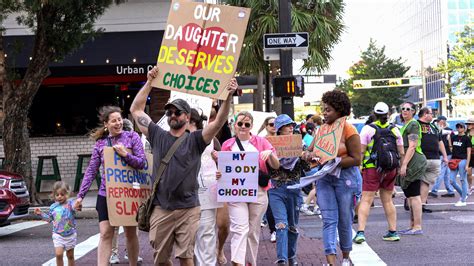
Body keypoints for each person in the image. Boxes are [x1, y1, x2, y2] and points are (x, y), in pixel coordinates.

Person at [130, 66, 237, 265]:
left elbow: (219, 122)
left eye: (177, 112)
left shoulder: (196, 139)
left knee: (186, 256)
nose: (173, 115)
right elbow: (135, 110)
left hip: (189, 209)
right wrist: (149, 82)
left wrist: (229, 96)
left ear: (187, 117)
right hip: (161, 208)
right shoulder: (157, 135)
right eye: (169, 111)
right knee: (160, 259)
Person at [74, 106, 146, 266]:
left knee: (130, 233)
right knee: (105, 233)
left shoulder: (132, 137)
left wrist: (125, 154)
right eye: (114, 120)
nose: (118, 123)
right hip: (106, 194)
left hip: (127, 193)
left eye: (120, 119)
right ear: (106, 124)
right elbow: (91, 171)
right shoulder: (100, 144)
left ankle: (133, 263)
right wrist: (80, 196)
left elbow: (142, 163)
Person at [308, 90, 362, 266]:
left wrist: (335, 161)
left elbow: (356, 158)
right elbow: (311, 152)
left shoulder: (349, 129)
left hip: (345, 179)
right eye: (323, 109)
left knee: (345, 219)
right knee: (328, 219)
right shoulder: (322, 130)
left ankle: (346, 258)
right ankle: (331, 260)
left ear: (339, 110)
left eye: (328, 110)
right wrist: (307, 155)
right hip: (325, 178)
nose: (324, 113)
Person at [220, 111, 280, 266]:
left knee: (252, 231)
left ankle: (250, 262)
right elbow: (222, 169)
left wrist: (270, 154)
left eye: (247, 124)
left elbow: (276, 165)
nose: (243, 127)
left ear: (251, 126)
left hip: (258, 191)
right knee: (239, 229)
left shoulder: (261, 142)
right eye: (240, 123)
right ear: (235, 125)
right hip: (236, 192)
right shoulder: (228, 145)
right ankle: (238, 261)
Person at [353, 102, 404, 244]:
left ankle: (361, 232)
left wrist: (359, 167)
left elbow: (362, 151)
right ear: (387, 114)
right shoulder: (395, 129)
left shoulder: (367, 129)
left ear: (374, 114)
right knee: (388, 200)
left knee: (366, 199)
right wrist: (400, 167)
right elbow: (401, 152)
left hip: (371, 168)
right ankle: (393, 231)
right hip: (390, 168)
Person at [268, 114, 311, 265]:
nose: (291, 127)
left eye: (292, 125)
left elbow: (307, 168)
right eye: (287, 125)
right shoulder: (270, 145)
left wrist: (305, 157)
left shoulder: (300, 144)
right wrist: (270, 156)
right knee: (281, 224)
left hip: (294, 188)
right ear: (280, 129)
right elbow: (265, 168)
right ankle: (282, 259)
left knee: (292, 227)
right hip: (276, 188)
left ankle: (291, 257)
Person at [188, 108, 223, 266]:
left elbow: (227, 166)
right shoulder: (173, 139)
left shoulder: (211, 139)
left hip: (207, 191)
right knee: (189, 235)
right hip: (184, 195)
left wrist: (219, 166)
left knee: (207, 231)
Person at [109, 118, 144, 264]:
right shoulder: (111, 144)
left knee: (131, 222)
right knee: (116, 224)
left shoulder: (135, 141)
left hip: (131, 186)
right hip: (117, 187)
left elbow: (141, 162)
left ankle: (126, 253)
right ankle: (114, 253)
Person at [398, 102, 427, 235]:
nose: (405, 111)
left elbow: (412, 146)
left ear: (413, 111)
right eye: (403, 109)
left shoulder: (414, 124)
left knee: (414, 195)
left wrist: (404, 164)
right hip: (409, 161)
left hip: (414, 161)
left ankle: (417, 226)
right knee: (410, 195)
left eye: (408, 109)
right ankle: (412, 225)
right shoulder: (406, 125)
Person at [35, 181, 77, 266]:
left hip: (70, 235)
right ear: (54, 195)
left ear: (67, 194)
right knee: (58, 254)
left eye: (62, 194)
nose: (60, 197)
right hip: (58, 235)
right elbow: (50, 219)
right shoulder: (53, 207)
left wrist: (78, 205)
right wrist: (41, 214)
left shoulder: (70, 205)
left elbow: (76, 206)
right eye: (57, 195)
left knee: (70, 256)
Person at [416, 107, 448, 213]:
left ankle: (422, 205)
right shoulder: (416, 125)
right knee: (415, 181)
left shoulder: (433, 126)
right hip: (420, 158)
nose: (433, 115)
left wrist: (445, 156)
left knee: (426, 182)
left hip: (434, 158)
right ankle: (412, 202)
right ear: (425, 114)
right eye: (431, 113)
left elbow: (440, 142)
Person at [430, 115, 455, 197]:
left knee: (441, 172)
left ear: (442, 121)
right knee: (446, 173)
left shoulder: (443, 131)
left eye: (438, 121)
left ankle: (434, 190)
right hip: (447, 154)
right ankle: (450, 190)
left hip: (444, 154)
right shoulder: (447, 131)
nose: (437, 122)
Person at [449, 122, 472, 207]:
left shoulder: (466, 138)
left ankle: (463, 200)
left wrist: (467, 164)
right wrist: (449, 141)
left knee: (463, 180)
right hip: (454, 160)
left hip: (462, 160)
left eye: (461, 127)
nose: (459, 128)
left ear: (464, 128)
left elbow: (468, 152)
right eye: (457, 127)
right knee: (451, 180)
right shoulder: (454, 137)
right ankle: (464, 194)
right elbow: (451, 149)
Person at [466, 117, 474, 195]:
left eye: (469, 123)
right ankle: (470, 186)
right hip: (469, 154)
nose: (467, 125)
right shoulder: (466, 133)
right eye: (467, 124)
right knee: (468, 173)